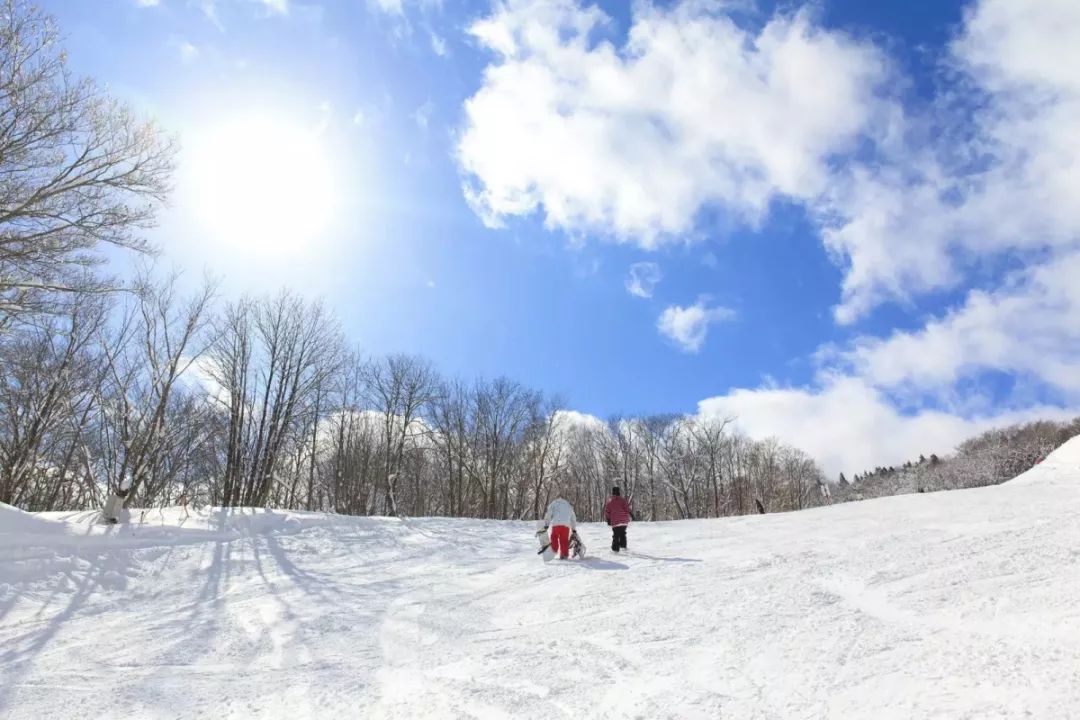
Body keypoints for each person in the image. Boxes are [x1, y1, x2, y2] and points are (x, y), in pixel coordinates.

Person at [603, 486, 633, 553]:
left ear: (613, 493)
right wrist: (631, 514)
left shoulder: (610, 502)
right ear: (619, 492)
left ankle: (615, 549)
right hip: (624, 521)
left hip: (615, 522)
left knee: (616, 535)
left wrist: (608, 519)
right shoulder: (623, 500)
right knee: (623, 533)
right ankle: (623, 547)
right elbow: (627, 508)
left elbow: (607, 511)